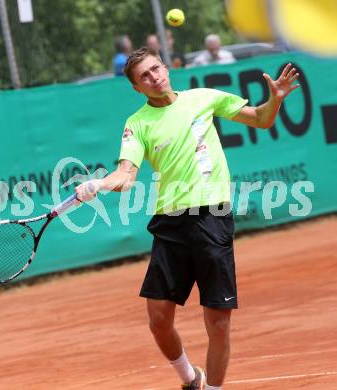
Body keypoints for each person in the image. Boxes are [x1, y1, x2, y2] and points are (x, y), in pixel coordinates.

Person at [75, 47, 299, 389]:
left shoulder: (204, 98)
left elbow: (261, 119)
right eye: (144, 77)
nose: (154, 78)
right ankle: (190, 378)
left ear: (166, 67)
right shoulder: (137, 124)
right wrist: (98, 184)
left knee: (218, 322)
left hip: (212, 217)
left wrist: (276, 100)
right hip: (170, 224)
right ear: (137, 88)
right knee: (158, 321)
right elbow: (126, 175)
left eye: (155, 69)